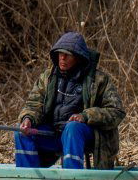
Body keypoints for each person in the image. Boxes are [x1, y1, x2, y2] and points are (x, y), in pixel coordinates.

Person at [15, 32, 125, 169]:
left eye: (68, 54)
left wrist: (85, 116)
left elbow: (117, 112)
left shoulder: (98, 80)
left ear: (79, 57)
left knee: (72, 128)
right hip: (53, 135)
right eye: (60, 53)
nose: (62, 58)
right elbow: (33, 104)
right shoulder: (47, 78)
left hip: (84, 137)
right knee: (23, 132)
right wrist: (28, 118)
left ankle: (72, 179)